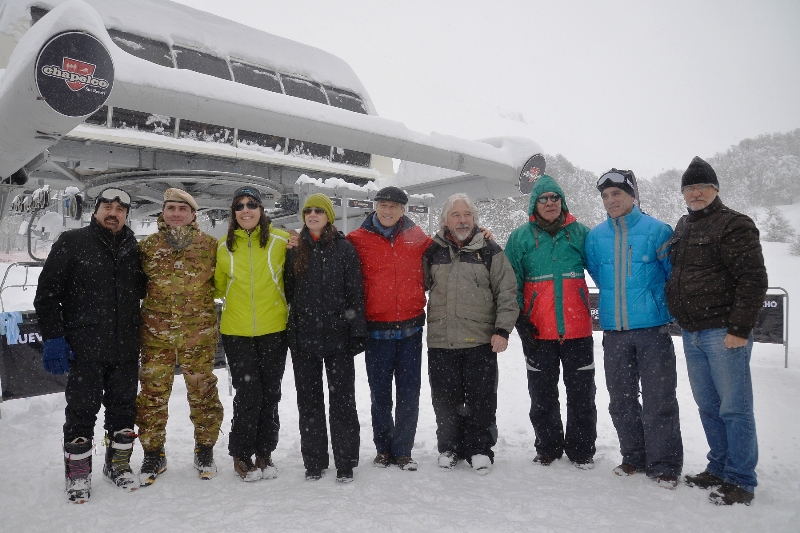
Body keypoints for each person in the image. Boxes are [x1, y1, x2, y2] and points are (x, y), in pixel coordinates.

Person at [666, 156, 768, 506]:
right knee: (708, 405)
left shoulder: (734, 224)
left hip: (723, 332)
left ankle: (741, 479)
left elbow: (753, 279)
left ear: (716, 189)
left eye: (702, 187)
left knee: (734, 408)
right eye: (689, 188)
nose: (695, 193)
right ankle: (719, 467)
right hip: (692, 332)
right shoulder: (683, 225)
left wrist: (740, 328)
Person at [34, 187, 145, 502]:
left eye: (120, 209)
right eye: (107, 206)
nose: (113, 213)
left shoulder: (134, 248)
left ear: (126, 215)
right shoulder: (72, 242)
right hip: (85, 348)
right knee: (82, 412)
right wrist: (54, 337)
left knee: (123, 412)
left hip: (125, 347)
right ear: (95, 211)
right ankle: (78, 473)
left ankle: (117, 465)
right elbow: (47, 295)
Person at [585, 169, 683, 489]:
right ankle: (634, 456)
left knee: (659, 399)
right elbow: (600, 276)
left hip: (653, 330)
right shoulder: (595, 237)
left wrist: (652, 303)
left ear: (632, 196)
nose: (610, 200)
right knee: (621, 400)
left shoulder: (658, 230)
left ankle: (664, 464)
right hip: (614, 332)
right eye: (605, 196)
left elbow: (672, 275)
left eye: (616, 194)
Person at [504, 175, 597, 469]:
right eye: (543, 198)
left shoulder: (581, 234)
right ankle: (548, 447)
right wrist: (520, 320)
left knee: (582, 394)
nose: (550, 203)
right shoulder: (520, 238)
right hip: (538, 332)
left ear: (562, 201)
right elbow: (510, 283)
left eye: (555, 198)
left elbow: (604, 271)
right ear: (534, 203)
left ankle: (581, 449)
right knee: (542, 394)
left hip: (577, 330)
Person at [422, 193, 518, 475]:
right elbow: (416, 283)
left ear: (475, 219)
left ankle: (479, 448)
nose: (462, 220)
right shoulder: (432, 250)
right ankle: (449, 447)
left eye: (467, 215)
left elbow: (507, 291)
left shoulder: (489, 250)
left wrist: (502, 330)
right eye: (456, 215)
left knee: (481, 399)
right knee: (444, 399)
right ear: (446, 221)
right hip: (442, 340)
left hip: (479, 340)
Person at [135, 188, 223, 486]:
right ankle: (153, 452)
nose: (175, 213)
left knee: (203, 392)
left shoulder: (210, 246)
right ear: (162, 212)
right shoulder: (147, 247)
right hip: (156, 335)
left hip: (198, 335)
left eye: (182, 209)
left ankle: (205, 449)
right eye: (170, 208)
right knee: (152, 395)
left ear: (193, 214)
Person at [347, 186, 432, 471]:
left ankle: (403, 450)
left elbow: (447, 247)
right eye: (383, 205)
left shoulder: (417, 237)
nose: (388, 210)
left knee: (409, 393)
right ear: (375, 206)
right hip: (376, 332)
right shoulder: (357, 239)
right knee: (380, 394)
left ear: (403, 210)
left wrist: (484, 233)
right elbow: (331, 248)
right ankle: (383, 449)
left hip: (411, 330)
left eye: (394, 206)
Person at [284, 194, 366, 483]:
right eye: (308, 210)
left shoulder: (344, 249)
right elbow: (288, 291)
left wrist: (356, 332)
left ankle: (346, 460)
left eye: (319, 210)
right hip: (304, 337)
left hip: (338, 337)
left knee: (342, 401)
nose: (313, 214)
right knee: (309, 402)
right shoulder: (295, 249)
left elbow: (355, 292)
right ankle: (315, 461)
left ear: (328, 215)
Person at [214, 186, 291, 482]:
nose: (245, 210)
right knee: (248, 394)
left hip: (274, 330)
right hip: (237, 332)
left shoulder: (281, 241)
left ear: (261, 209)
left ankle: (265, 451)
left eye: (251, 205)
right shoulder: (223, 248)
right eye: (239, 206)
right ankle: (242, 453)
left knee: (271, 393)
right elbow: (219, 286)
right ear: (233, 213)